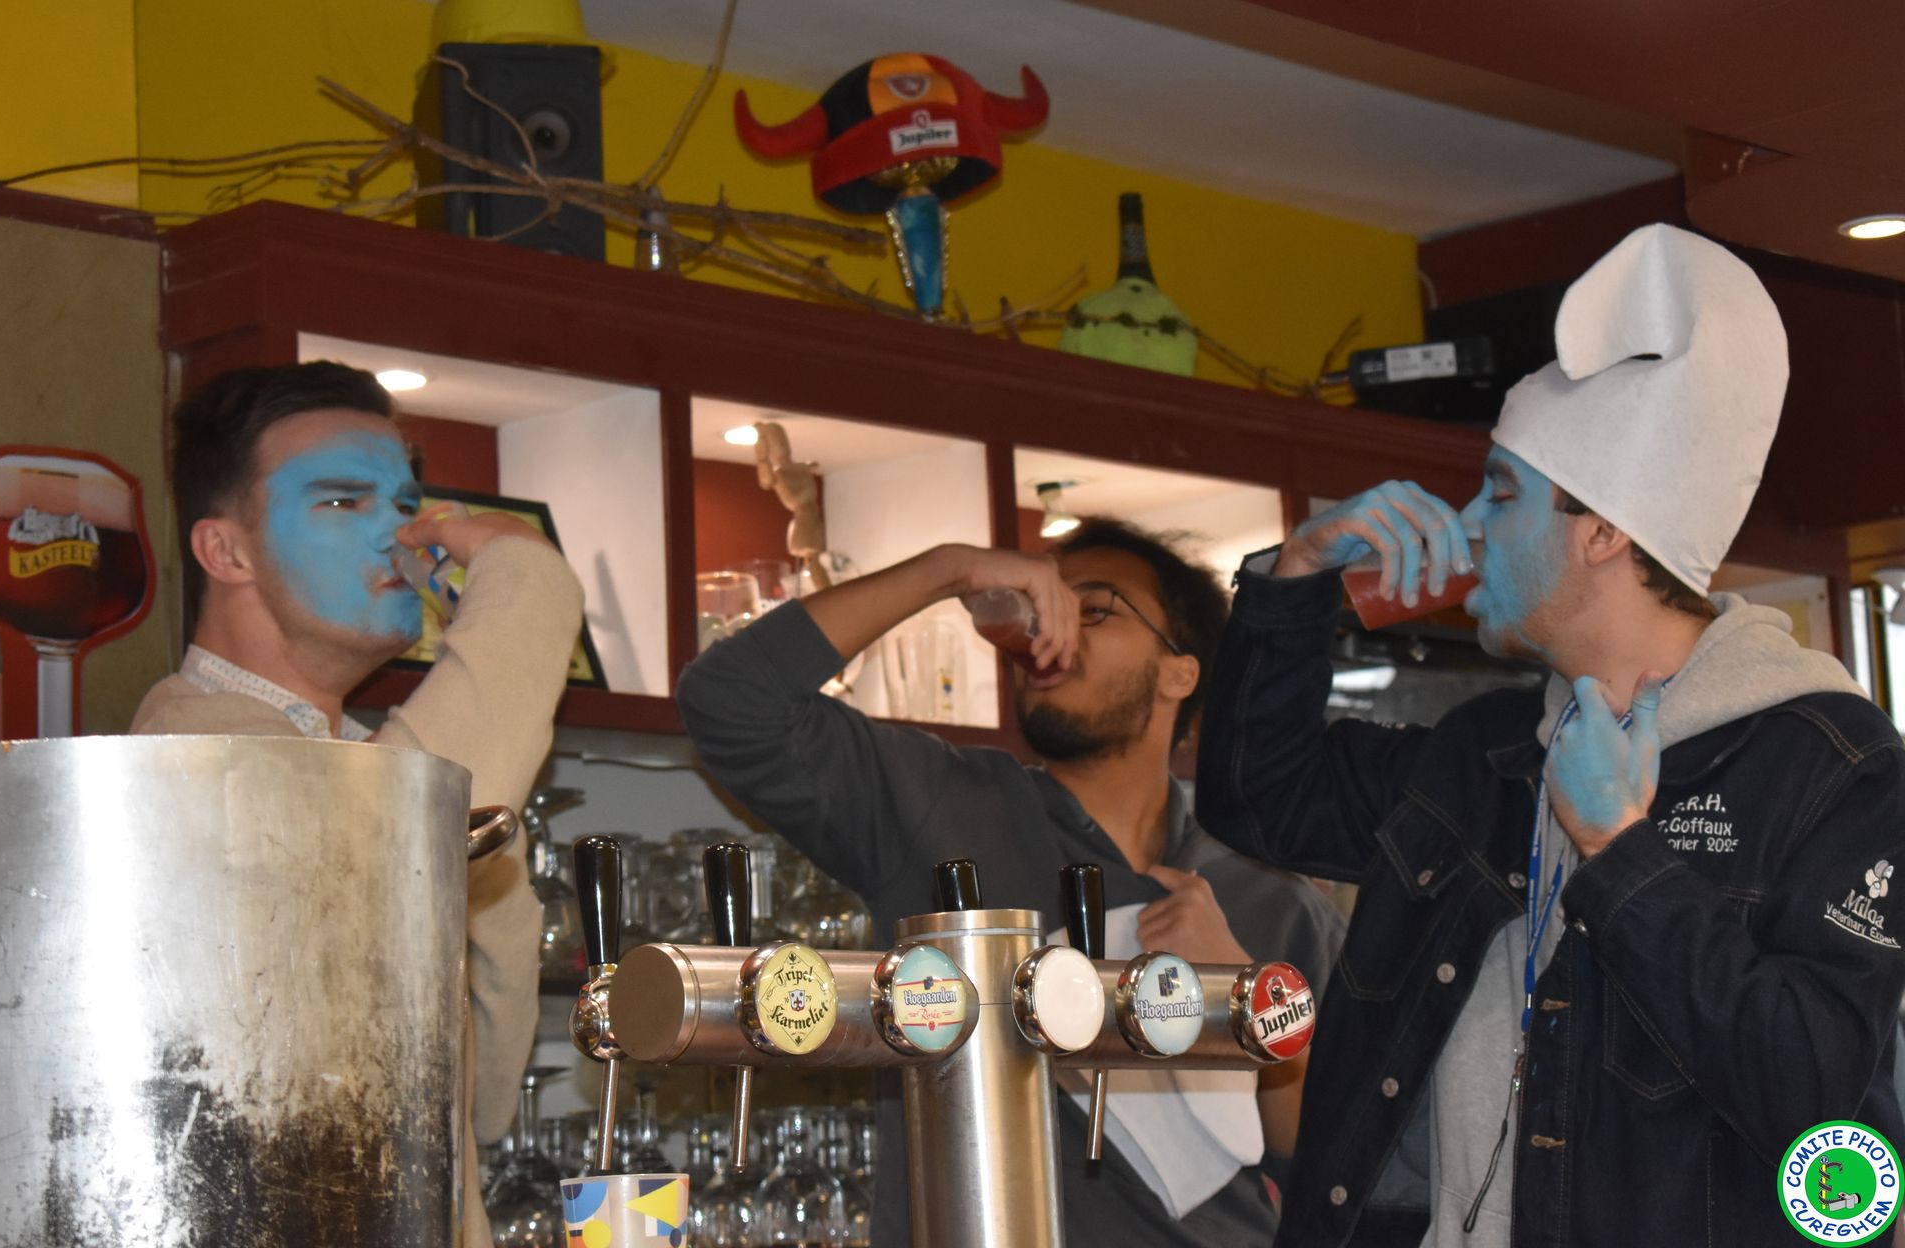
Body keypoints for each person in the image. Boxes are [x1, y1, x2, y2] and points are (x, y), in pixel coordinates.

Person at [1196, 224, 1905, 1246]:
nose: (1470, 524)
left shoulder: (1829, 766)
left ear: (1602, 529)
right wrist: (1297, 574)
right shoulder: (1486, 752)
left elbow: (1818, 1100)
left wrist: (1622, 852)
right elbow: (1257, 793)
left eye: (1500, 490)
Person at [677, 517, 1344, 1247]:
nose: (1047, 631)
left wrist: (1242, 994)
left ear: (1178, 673)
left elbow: (1329, 1154)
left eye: (1094, 610)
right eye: (1037, 608)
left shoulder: (1268, 892)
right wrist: (950, 568)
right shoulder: (939, 806)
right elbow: (730, 700)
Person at [131, 360, 586, 1248]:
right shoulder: (198, 751)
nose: (398, 533)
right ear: (225, 552)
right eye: (343, 502)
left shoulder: (376, 755)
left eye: (405, 503)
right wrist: (526, 578)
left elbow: (485, 1095)